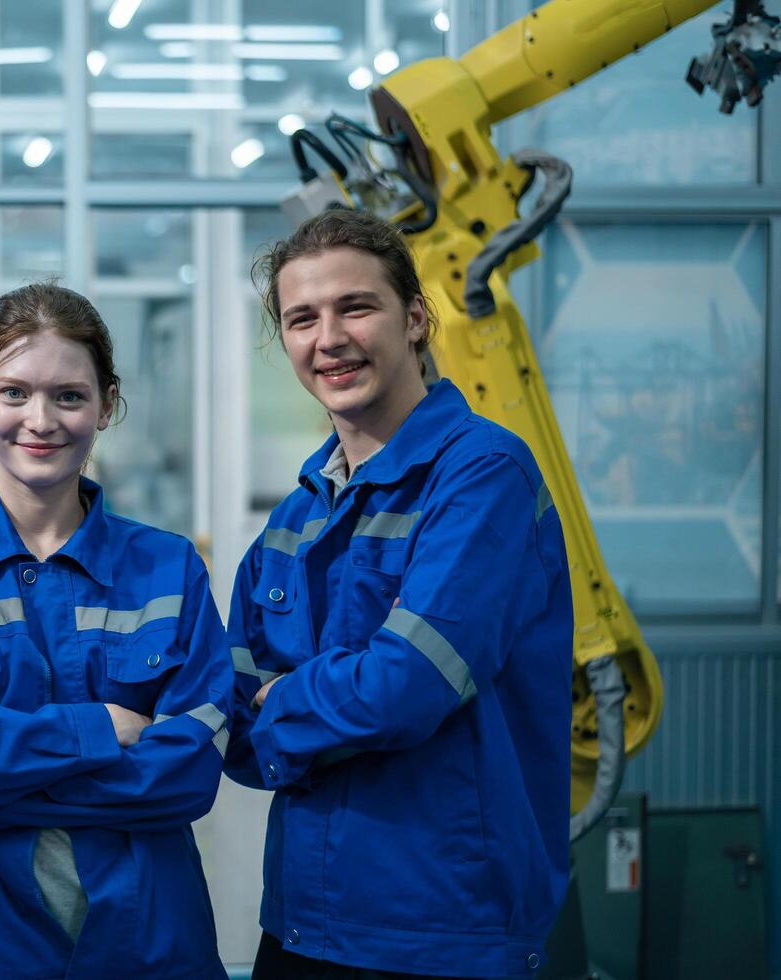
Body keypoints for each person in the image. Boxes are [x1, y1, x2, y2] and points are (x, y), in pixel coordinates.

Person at [226, 209, 572, 979]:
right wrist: (308, 705)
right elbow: (235, 732)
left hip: (443, 928)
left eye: (356, 306)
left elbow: (405, 687)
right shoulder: (295, 518)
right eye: (300, 318)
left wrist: (284, 700)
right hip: (299, 921)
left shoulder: (483, 475)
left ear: (414, 318)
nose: (329, 339)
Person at [0, 283, 232, 978]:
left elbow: (188, 778)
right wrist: (94, 731)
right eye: (14, 393)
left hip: (144, 944)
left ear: (106, 405)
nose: (40, 420)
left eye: (68, 395)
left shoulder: (168, 568)